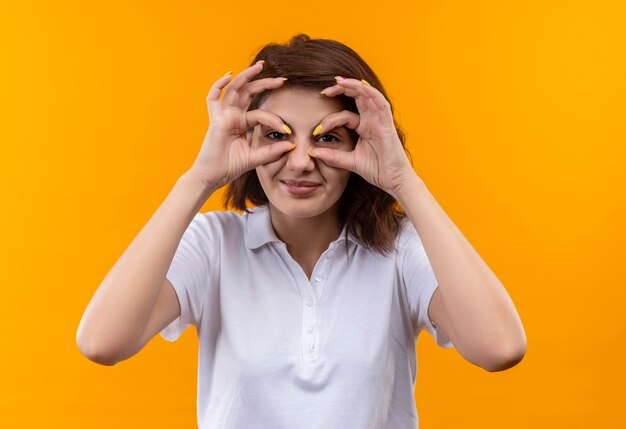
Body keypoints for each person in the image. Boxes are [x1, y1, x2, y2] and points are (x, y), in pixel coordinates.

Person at [76, 34, 526, 428]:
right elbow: (101, 343)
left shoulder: (399, 247)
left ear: (361, 143)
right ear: (247, 140)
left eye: (327, 137)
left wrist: (403, 181)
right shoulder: (215, 244)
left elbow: (499, 348)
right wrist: (199, 178)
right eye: (277, 135)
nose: (300, 161)